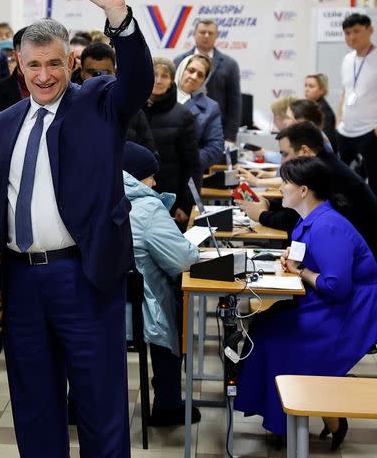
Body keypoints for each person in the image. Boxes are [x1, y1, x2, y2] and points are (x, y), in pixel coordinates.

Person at [0, 0, 153, 458]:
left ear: (70, 63)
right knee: (34, 407)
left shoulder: (99, 102)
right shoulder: (5, 122)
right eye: (33, 64)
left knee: (99, 407)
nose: (43, 75)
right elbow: (0, 196)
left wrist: (119, 18)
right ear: (19, 65)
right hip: (21, 281)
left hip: (84, 276)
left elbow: (139, 81)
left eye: (54, 63)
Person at [235, 156, 377, 448]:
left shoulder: (328, 227)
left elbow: (336, 287)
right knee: (263, 324)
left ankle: (307, 418)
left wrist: (300, 270)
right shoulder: (310, 220)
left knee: (278, 339)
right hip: (324, 302)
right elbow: (310, 264)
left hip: (347, 311)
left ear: (303, 190)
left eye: (286, 182)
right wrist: (292, 263)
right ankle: (288, 417)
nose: (281, 189)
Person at [121, 142, 200, 426]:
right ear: (134, 176)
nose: (155, 182)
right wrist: (193, 247)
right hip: (137, 315)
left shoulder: (94, 196)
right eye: (151, 176)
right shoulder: (147, 207)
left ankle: (74, 406)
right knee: (172, 307)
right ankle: (168, 403)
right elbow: (181, 261)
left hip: (99, 307)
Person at [237, 121, 377, 255]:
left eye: (285, 154)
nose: (282, 161)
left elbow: (295, 220)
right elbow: (298, 208)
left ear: (304, 150)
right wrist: (269, 204)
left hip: (358, 256)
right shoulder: (324, 163)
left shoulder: (323, 172)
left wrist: (261, 215)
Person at [144, 57, 202, 227]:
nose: (158, 80)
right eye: (154, 74)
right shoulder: (132, 111)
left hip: (171, 203)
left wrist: (186, 204)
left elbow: (192, 166)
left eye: (165, 76)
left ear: (171, 81)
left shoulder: (183, 116)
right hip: (135, 202)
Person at [81, 42, 157, 156]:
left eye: (105, 73)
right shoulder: (68, 107)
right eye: (94, 73)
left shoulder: (133, 112)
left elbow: (151, 159)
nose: (100, 79)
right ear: (82, 72)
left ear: (115, 73)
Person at [174, 18, 241, 141]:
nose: (206, 36)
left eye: (210, 33)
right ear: (194, 34)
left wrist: (230, 136)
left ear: (216, 36)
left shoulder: (230, 65)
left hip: (216, 132)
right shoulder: (178, 61)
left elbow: (234, 104)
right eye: (202, 32)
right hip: (179, 128)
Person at [336, 12, 377, 193]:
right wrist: (338, 120)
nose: (351, 37)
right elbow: (346, 91)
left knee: (373, 183)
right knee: (343, 183)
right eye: (347, 33)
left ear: (370, 30)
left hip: (369, 130)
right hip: (345, 131)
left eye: (356, 31)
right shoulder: (347, 59)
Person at [176, 53, 224, 170]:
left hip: (186, 175)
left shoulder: (211, 108)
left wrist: (188, 161)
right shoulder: (157, 96)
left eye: (200, 75)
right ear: (182, 69)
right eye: (191, 70)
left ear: (203, 81)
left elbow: (215, 147)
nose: (194, 77)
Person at [304, 73, 337, 153]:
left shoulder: (324, 112)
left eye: (311, 86)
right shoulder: (311, 107)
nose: (306, 89)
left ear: (322, 90)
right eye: (305, 85)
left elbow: (324, 142)